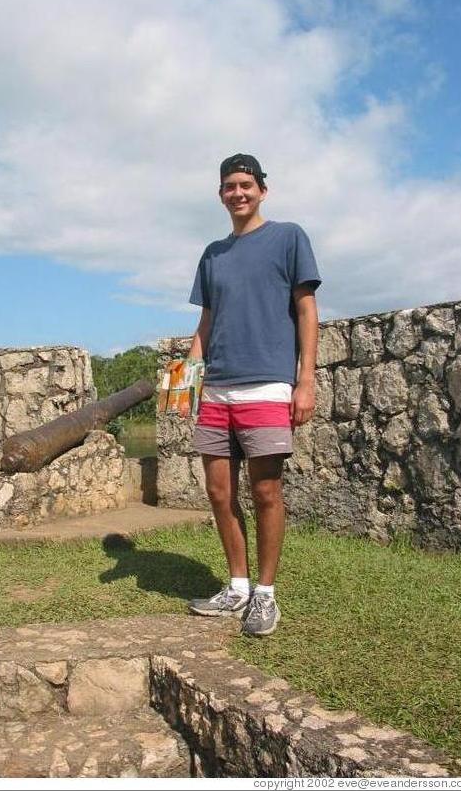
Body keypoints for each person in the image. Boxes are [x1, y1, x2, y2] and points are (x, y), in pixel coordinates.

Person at [183, 153, 321, 636]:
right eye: (229, 186)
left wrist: (305, 380)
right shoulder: (212, 254)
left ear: (263, 189)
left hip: (266, 384)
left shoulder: (288, 238)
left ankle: (265, 594)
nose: (237, 193)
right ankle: (237, 586)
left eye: (246, 184)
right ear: (220, 194)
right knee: (219, 492)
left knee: (266, 491)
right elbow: (206, 322)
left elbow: (306, 310)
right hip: (217, 389)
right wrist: (187, 381)